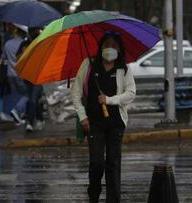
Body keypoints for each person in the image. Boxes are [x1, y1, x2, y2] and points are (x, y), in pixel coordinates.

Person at [71, 31, 136, 203]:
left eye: (114, 45)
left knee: (113, 164)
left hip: (116, 122)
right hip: (94, 123)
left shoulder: (124, 69)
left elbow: (131, 93)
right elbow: (76, 94)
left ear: (119, 49)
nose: (110, 48)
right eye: (107, 44)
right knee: (96, 164)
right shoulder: (89, 65)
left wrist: (109, 100)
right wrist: (82, 117)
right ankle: (93, 196)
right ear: (101, 47)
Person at [16, 27, 44, 132]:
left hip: (38, 77)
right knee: (32, 100)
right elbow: (17, 58)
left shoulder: (41, 42)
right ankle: (40, 118)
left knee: (33, 99)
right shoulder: (24, 44)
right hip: (27, 76)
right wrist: (24, 53)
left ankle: (30, 122)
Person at [1, 23, 28, 126]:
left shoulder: (7, 43)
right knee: (27, 94)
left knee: (16, 95)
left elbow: (3, 58)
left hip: (10, 74)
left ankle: (18, 118)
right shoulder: (24, 44)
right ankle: (17, 111)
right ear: (24, 34)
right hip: (21, 74)